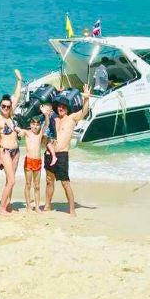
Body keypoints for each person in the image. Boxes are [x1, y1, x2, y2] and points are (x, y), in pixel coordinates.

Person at [44, 86, 90, 215]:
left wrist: (86, 99)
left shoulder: (71, 118)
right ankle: (47, 205)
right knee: (49, 181)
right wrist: (58, 92)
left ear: (67, 108)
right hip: (49, 153)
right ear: (56, 107)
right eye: (59, 106)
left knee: (65, 182)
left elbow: (84, 112)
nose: (61, 108)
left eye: (64, 106)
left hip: (62, 154)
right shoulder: (53, 118)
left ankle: (71, 209)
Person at [0, 68, 24, 215]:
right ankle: (1, 208)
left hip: (16, 151)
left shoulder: (11, 116)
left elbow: (17, 96)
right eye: (3, 106)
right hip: (5, 151)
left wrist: (19, 80)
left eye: (8, 106)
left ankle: (8, 204)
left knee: (9, 180)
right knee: (12, 181)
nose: (6, 108)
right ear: (0, 106)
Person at [18, 113, 53, 213]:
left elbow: (47, 123)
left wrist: (46, 114)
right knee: (28, 184)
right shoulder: (27, 132)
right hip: (29, 161)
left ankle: (37, 207)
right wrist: (19, 131)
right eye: (33, 124)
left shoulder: (40, 134)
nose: (35, 126)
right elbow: (20, 131)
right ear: (30, 124)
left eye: (37, 124)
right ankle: (28, 206)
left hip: (37, 162)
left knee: (37, 186)